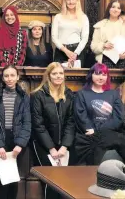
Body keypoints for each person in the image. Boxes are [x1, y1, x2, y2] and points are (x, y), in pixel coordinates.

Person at [74, 63, 125, 165]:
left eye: (104, 74)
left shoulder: (113, 94)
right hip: (89, 134)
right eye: (97, 74)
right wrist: (91, 129)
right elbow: (81, 115)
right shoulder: (82, 94)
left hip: (110, 132)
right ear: (91, 75)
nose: (101, 77)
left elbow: (119, 117)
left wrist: (99, 129)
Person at [30, 62, 75, 198]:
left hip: (63, 146)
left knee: (65, 181)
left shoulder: (68, 94)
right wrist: (51, 148)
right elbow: (38, 125)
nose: (58, 76)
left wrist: (65, 146)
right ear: (48, 75)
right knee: (51, 180)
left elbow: (71, 122)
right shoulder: (38, 95)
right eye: (54, 73)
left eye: (61, 73)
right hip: (43, 145)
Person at [0, 65, 31, 199]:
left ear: (18, 77)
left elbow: (27, 122)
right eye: (6, 76)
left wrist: (20, 144)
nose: (9, 78)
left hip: (17, 139)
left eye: (12, 75)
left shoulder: (24, 96)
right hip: (1, 138)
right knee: (3, 179)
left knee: (14, 178)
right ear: (2, 78)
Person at [90, 0, 125, 68]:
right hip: (105, 59)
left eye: (118, 8)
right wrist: (103, 45)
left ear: (121, 10)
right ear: (109, 8)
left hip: (123, 59)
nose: (115, 10)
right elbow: (93, 46)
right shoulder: (100, 25)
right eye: (113, 7)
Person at [51, 0, 89, 66]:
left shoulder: (83, 17)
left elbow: (85, 38)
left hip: (77, 51)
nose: (71, 2)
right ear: (65, 1)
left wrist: (75, 53)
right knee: (58, 76)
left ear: (77, 1)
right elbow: (54, 37)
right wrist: (66, 51)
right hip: (61, 50)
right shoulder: (58, 17)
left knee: (77, 77)